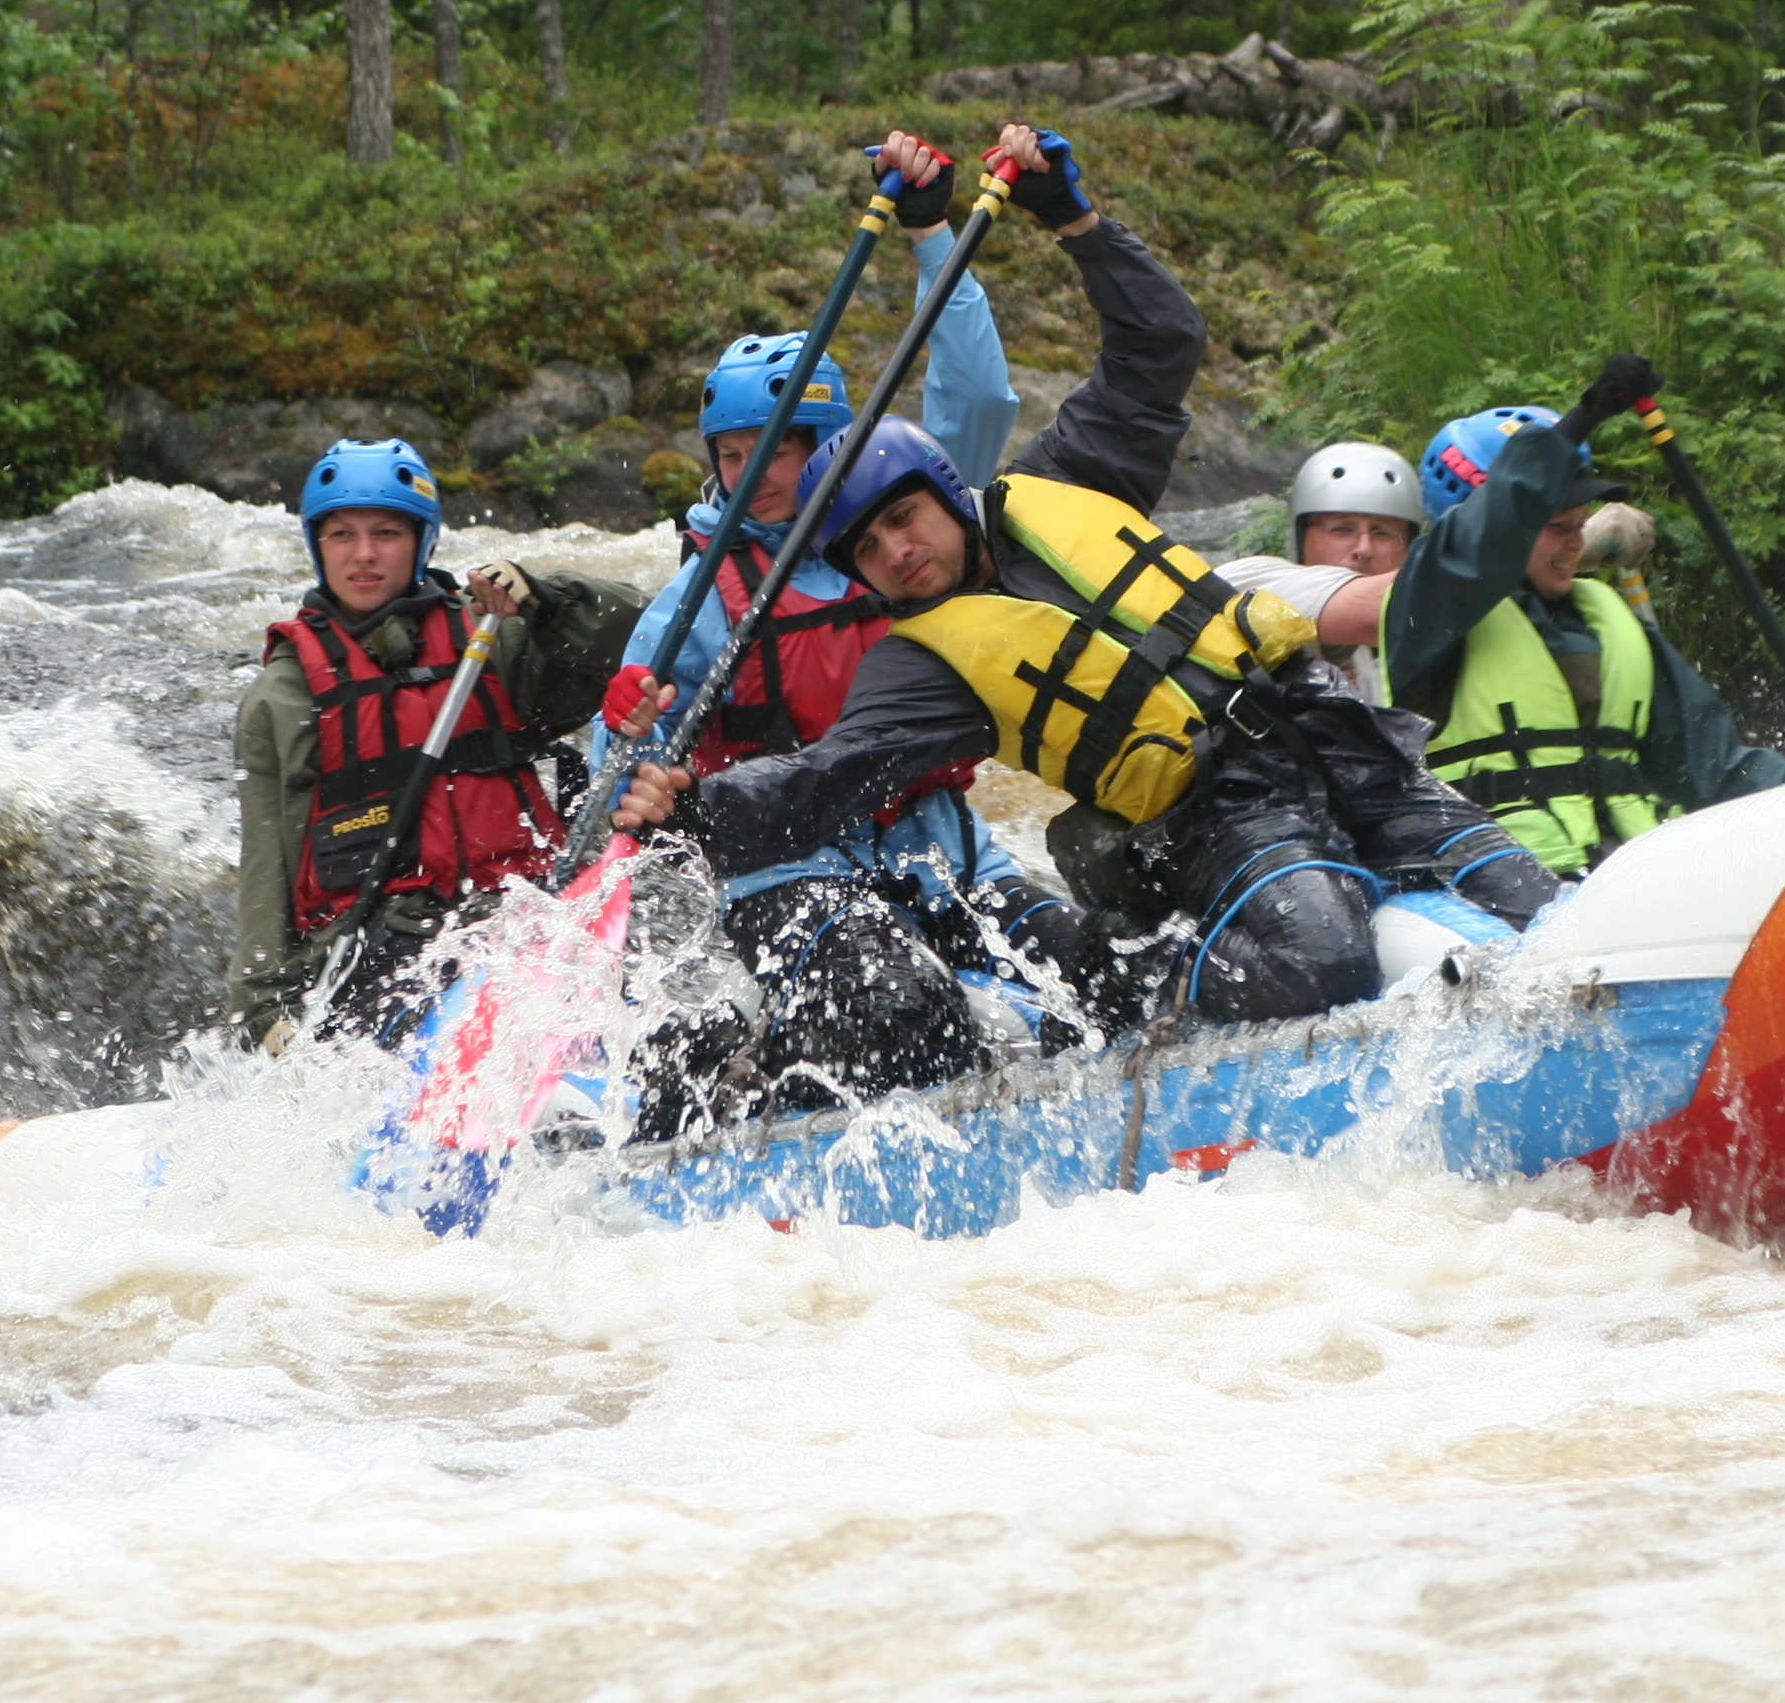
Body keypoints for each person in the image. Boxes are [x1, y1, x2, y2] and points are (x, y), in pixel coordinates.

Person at [611, 124, 1558, 1036]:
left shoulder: (1061, 479)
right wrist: (687, 806)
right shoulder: (924, 663)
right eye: (866, 549)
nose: (894, 553)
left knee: (1541, 910)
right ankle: (1162, 1001)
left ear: (940, 489)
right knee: (1325, 963)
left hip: (1339, 735)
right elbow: (826, 778)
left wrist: (1077, 222)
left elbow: (1158, 350)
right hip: (1213, 812)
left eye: (902, 520)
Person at [610, 132, 1080, 1131]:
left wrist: (927, 235)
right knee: (909, 1013)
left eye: (784, 446)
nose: (760, 475)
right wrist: (640, 763)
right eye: (735, 454)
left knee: (1096, 979)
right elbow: (635, 762)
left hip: (942, 846)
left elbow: (980, 397)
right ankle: (751, 1073)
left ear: (833, 443)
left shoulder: (903, 532)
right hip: (790, 869)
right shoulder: (693, 602)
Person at [230, 438, 655, 1048]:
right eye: (342, 535)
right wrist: (265, 1008)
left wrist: (548, 600)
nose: (365, 555)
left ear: (423, 540)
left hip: (514, 917)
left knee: (639, 1016)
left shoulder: (490, 638)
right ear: (316, 546)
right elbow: (265, 862)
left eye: (387, 533)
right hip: (376, 952)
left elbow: (643, 636)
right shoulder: (283, 696)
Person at [1382, 363, 1785, 879]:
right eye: (1554, 526)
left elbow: (1716, 770)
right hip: (1493, 884)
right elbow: (1491, 533)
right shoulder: (1429, 605)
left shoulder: (1605, 619)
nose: (1575, 542)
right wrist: (1587, 416)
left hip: (1630, 878)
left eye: (1578, 525)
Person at [1209, 442, 1426, 706]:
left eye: (1383, 532)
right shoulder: (1253, 582)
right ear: (1301, 537)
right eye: (1342, 529)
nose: (1364, 549)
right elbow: (1405, 602)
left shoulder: (1370, 656)